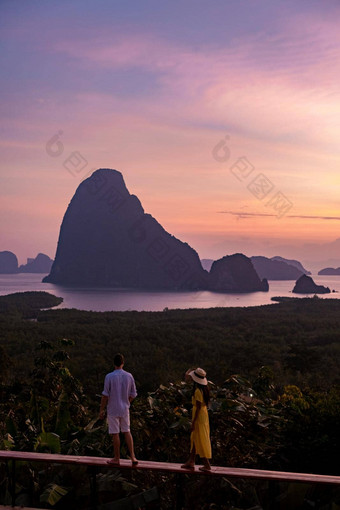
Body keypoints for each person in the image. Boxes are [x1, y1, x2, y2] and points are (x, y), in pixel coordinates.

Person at [99, 353, 138, 465]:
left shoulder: (109, 377)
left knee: (115, 433)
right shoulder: (129, 376)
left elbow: (105, 395)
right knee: (127, 431)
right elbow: (133, 394)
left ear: (113, 363)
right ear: (123, 363)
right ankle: (133, 457)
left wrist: (101, 409)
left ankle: (116, 458)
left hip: (112, 408)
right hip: (124, 408)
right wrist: (127, 402)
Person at [181, 367, 212, 471]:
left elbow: (198, 407)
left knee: (200, 438)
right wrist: (189, 372)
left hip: (199, 416)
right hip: (203, 415)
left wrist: (193, 422)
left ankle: (206, 464)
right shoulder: (204, 389)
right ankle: (191, 460)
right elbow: (187, 378)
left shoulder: (198, 391)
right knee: (195, 437)